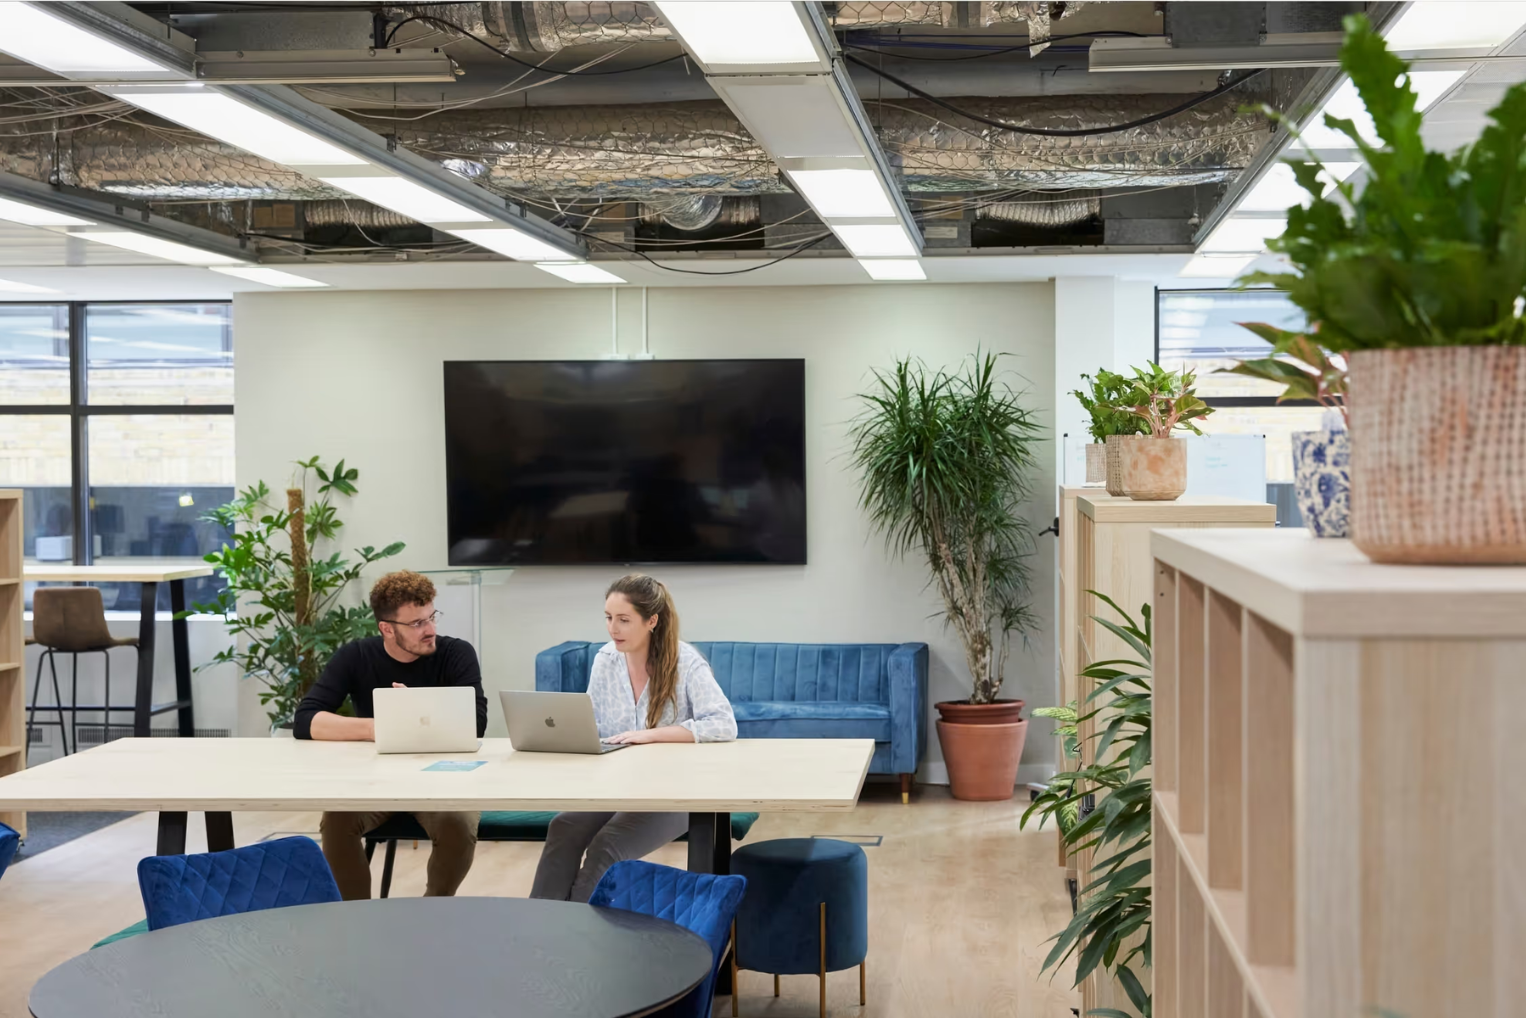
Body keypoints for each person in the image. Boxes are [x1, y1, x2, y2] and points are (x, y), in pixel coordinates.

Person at [530, 573, 736, 903]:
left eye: (624, 620)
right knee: (563, 827)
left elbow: (723, 724)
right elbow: (593, 725)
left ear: (651, 621)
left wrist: (651, 735)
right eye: (608, 618)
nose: (613, 628)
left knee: (606, 846)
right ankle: (541, 923)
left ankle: (573, 928)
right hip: (616, 786)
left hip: (676, 791)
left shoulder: (686, 662)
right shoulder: (606, 659)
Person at [293, 570, 487, 900]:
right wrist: (381, 726)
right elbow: (306, 720)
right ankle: (356, 917)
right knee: (337, 821)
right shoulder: (356, 656)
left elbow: (476, 724)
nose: (430, 630)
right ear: (386, 628)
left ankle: (433, 911)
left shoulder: (457, 654)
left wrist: (416, 710)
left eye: (432, 617)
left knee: (457, 824)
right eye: (417, 623)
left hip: (444, 781)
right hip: (376, 782)